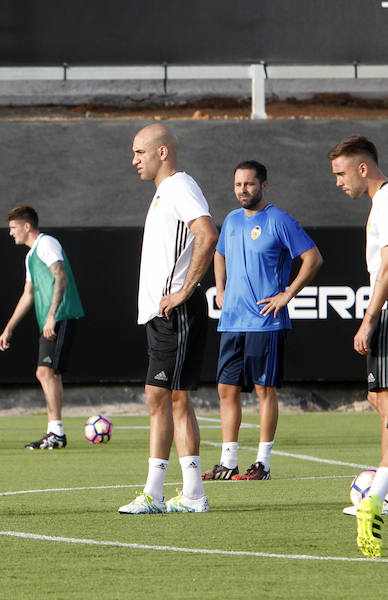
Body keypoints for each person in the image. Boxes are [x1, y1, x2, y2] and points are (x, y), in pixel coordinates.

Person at [119, 123, 218, 514]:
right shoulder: (165, 191)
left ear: (162, 152)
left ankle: (154, 493)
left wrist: (183, 290)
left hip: (175, 312)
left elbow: (207, 234)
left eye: (139, 152)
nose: (134, 160)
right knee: (175, 399)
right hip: (163, 314)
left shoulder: (179, 186)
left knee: (158, 396)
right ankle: (192, 493)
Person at [203, 161, 322, 482]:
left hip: (265, 322)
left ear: (263, 186)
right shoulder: (230, 220)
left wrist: (287, 295)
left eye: (250, 184)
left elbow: (313, 258)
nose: (243, 190)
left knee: (263, 389)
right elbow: (219, 252)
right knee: (226, 389)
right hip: (232, 321)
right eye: (238, 184)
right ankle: (228, 463)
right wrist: (221, 287)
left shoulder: (279, 220)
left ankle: (263, 464)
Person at [329, 135, 388, 556]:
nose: (338, 182)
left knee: (386, 403)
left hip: (386, 313)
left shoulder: (385, 200)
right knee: (376, 398)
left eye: (341, 173)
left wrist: (370, 319)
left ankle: (379, 495)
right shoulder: (379, 203)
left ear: (362, 168)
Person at [0, 205, 84, 449]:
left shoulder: (46, 244)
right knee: (48, 373)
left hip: (61, 316)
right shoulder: (30, 255)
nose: (11, 233)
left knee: (45, 372)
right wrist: (8, 328)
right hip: (52, 319)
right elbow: (28, 294)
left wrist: (51, 316)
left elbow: (61, 276)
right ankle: (55, 432)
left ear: (27, 226)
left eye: (13, 228)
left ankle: (56, 432)